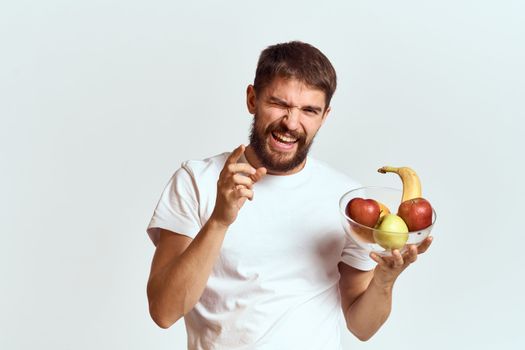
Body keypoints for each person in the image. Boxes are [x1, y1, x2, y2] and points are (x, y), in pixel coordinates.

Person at [146, 41, 432, 349]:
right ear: (252, 99)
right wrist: (219, 219)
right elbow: (164, 311)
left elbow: (361, 327)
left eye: (309, 110)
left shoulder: (346, 200)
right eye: (280, 104)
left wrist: (385, 280)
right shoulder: (196, 181)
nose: (291, 123)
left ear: (325, 116)